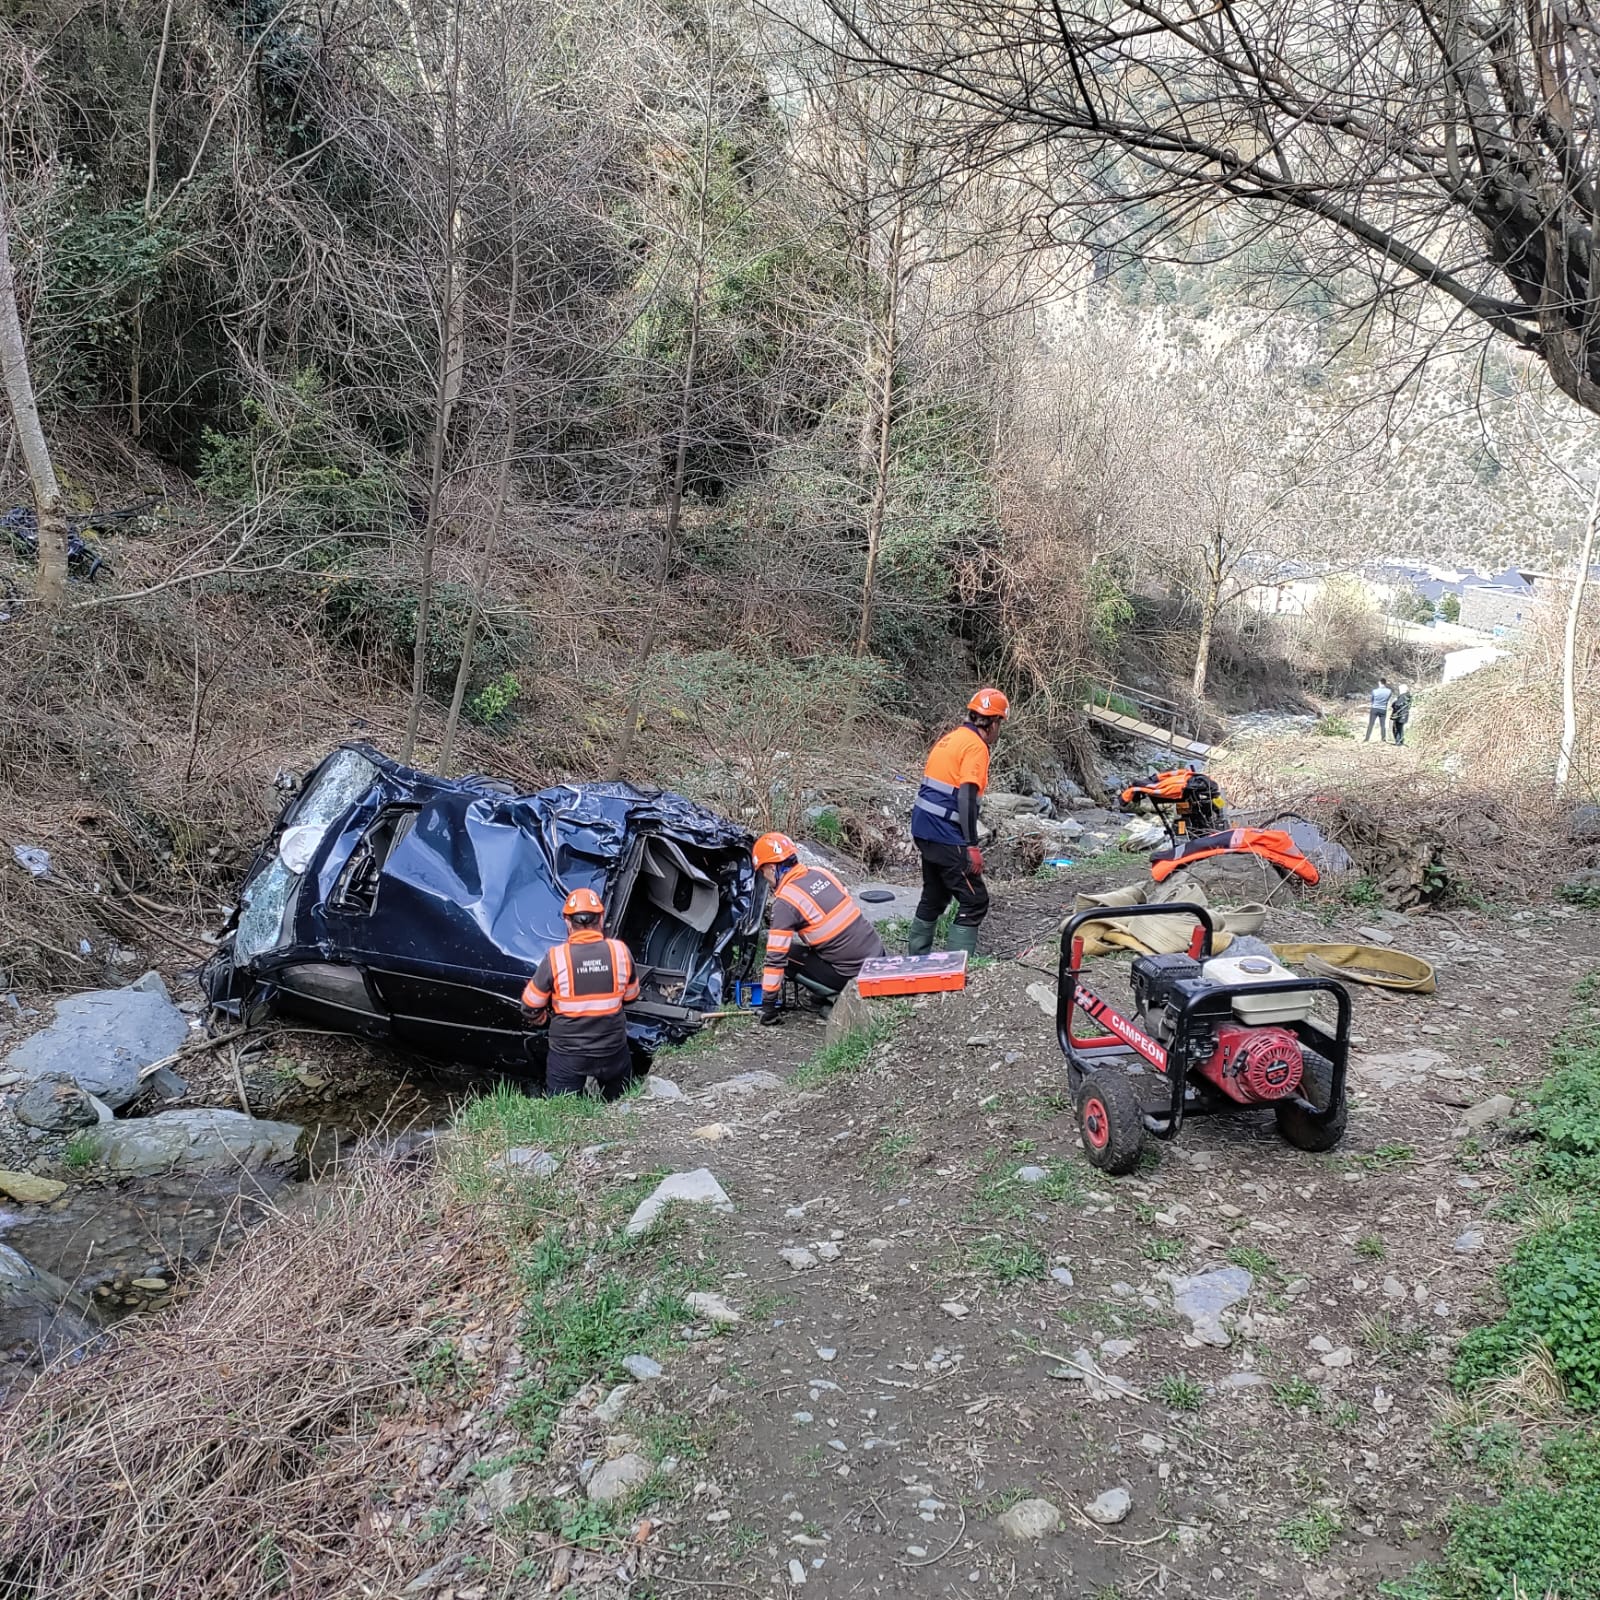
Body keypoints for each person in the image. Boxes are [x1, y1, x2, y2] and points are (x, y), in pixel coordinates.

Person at [907, 688, 1008, 957]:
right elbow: (966, 796)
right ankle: (957, 967)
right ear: (994, 722)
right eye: (1000, 724)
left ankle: (917, 960)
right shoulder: (976, 747)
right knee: (975, 900)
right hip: (944, 832)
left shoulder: (951, 738)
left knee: (935, 895)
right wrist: (971, 845)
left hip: (923, 827)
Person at [753, 832, 885, 1025]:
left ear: (772, 868)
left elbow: (775, 959)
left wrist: (768, 1007)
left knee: (787, 955)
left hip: (853, 974)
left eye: (763, 873)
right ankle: (826, 990)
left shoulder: (786, 902)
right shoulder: (821, 873)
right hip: (877, 956)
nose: (765, 879)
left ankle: (836, 996)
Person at [522, 887, 640, 1099]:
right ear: (601, 919)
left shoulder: (556, 958)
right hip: (612, 1050)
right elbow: (631, 996)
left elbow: (530, 1005)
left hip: (567, 1054)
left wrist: (543, 1020)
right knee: (621, 1102)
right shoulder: (620, 951)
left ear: (568, 922)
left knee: (562, 1109)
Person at [1364, 678, 1392, 742]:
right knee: (1383, 725)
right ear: (1385, 683)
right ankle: (1383, 738)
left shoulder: (1375, 691)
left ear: (1379, 683)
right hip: (1383, 709)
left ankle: (1367, 738)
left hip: (1375, 708)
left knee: (1371, 724)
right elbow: (1388, 699)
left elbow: (1372, 700)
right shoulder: (1389, 691)